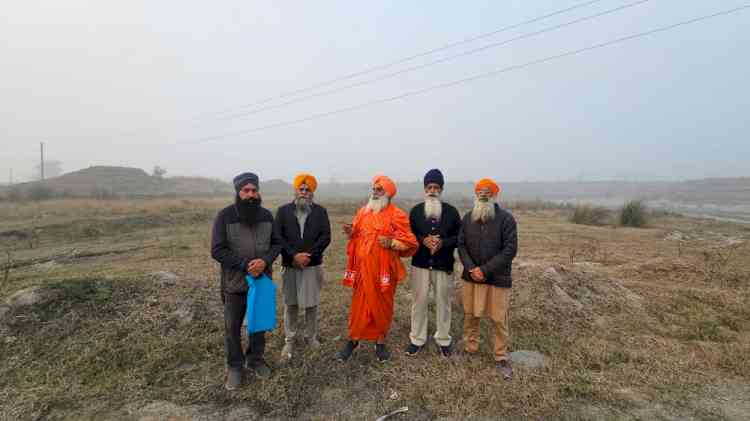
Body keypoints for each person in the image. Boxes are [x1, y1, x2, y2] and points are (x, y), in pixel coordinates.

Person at [211, 172, 282, 390]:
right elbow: (217, 250)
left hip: (261, 281)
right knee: (232, 327)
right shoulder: (225, 216)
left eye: (254, 190)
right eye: (246, 190)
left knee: (258, 324)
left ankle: (256, 360)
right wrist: (244, 265)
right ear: (238, 192)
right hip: (234, 284)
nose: (251, 194)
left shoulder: (267, 216)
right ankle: (234, 367)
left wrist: (265, 260)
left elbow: (277, 244)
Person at [338, 175, 418, 362]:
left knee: (382, 305)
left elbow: (410, 242)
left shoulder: (396, 214)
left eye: (379, 189)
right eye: (373, 189)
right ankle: (353, 339)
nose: (375, 192)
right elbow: (356, 235)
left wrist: (391, 242)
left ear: (388, 194)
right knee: (358, 305)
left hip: (383, 271)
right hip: (362, 269)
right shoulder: (362, 212)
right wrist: (351, 233)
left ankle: (380, 341)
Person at [457, 178, 518, 379]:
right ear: (476, 195)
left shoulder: (506, 219)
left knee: (499, 318)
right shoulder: (467, 219)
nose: (483, 195)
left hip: (497, 278)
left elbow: (510, 250)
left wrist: (485, 270)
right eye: (480, 192)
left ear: (495, 195)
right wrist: (472, 268)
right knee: (470, 314)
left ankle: (501, 356)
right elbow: (461, 245)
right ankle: (469, 348)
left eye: (488, 192)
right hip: (471, 277)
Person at [406, 169, 462, 357]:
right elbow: (409, 234)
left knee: (443, 302)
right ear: (424, 189)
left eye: (436, 187)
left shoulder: (452, 212)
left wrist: (442, 242)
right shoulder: (415, 212)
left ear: (441, 189)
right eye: (429, 187)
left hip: (443, 264)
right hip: (420, 264)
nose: (432, 190)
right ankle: (417, 338)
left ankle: (443, 339)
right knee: (419, 301)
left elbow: (459, 237)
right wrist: (423, 240)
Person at [275, 173, 331, 361]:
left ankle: (310, 337)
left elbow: (325, 237)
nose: (304, 192)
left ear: (312, 192)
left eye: (308, 190)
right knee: (290, 304)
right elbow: (278, 238)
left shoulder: (320, 212)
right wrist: (293, 255)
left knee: (311, 304)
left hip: (312, 265)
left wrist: (310, 256)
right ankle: (289, 339)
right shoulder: (283, 211)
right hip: (290, 265)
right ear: (296, 190)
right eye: (301, 189)